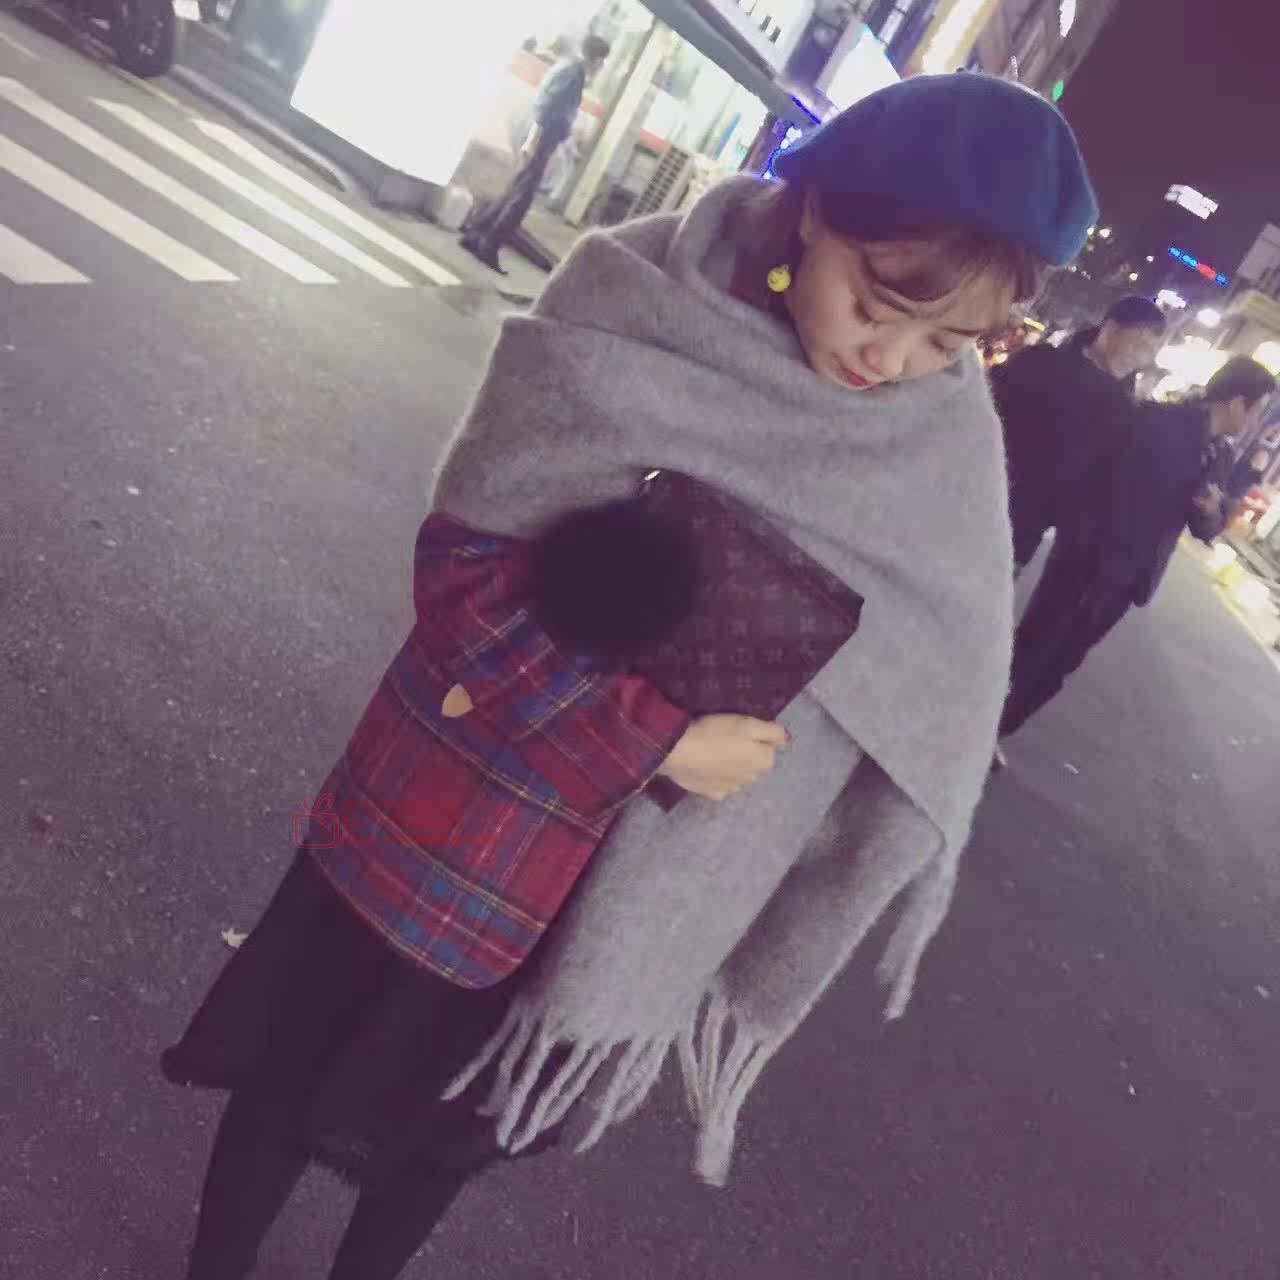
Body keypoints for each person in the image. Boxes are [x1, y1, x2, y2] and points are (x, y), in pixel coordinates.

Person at [163, 74, 1098, 1280]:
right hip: (459, 809)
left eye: (950, 342)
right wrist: (658, 742)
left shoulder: (939, 432)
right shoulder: (633, 300)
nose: (895, 358)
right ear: (817, 211)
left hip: (633, 885)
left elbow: (942, 660)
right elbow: (460, 579)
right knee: (294, 1073)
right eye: (877, 303)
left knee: (454, 1132)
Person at [999, 356, 1276, 740]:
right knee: (1031, 648)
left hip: (1126, 582)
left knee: (1061, 665)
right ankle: (976, 728)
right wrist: (1081, 540)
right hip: (1085, 561)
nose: (1253, 421)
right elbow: (1099, 480)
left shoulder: (1219, 455)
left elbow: (1203, 528)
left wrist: (1212, 512)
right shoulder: (1158, 422)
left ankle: (1000, 730)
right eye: (1256, 410)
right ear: (1237, 403)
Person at [992, 295, 1167, 570]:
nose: (1141, 359)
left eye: (1150, 353)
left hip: (1022, 535)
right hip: (975, 495)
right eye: (1139, 345)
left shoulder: (1125, 412)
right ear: (1111, 329)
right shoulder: (1040, 362)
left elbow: (1097, 482)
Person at [460, 35, 611, 273]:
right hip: (542, 139)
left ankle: (476, 236)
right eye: (602, 61)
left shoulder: (569, 68)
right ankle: (489, 246)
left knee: (514, 191)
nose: (601, 67)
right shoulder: (573, 73)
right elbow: (547, 106)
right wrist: (533, 141)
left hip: (543, 139)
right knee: (521, 199)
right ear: (596, 59)